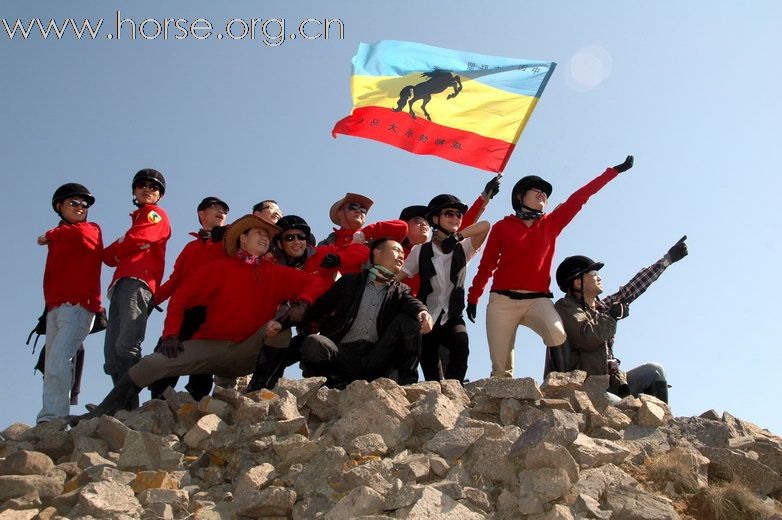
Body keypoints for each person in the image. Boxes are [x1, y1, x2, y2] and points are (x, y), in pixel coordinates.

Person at [69, 215, 327, 423]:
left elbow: (315, 282)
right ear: (241, 239)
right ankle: (103, 411)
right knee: (150, 364)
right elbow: (181, 298)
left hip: (247, 352)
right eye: (258, 232)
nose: (264, 237)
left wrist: (302, 303)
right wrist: (170, 334)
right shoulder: (217, 270)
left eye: (267, 235)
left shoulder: (276, 273)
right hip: (210, 348)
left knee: (279, 329)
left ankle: (256, 393)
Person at [466, 156, 634, 378]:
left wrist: (613, 171)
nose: (543, 195)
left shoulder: (551, 223)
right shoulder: (501, 227)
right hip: (502, 302)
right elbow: (486, 267)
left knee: (557, 334)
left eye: (545, 193)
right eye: (536, 190)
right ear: (520, 197)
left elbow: (581, 197)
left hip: (538, 300)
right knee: (501, 368)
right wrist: (473, 297)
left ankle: (563, 385)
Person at [552, 236, 688, 403]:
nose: (599, 277)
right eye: (593, 273)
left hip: (610, 383)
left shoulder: (602, 307)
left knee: (655, 371)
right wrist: (612, 316)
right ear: (578, 283)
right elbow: (587, 337)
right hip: (584, 390)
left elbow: (633, 287)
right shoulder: (564, 308)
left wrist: (667, 260)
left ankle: (664, 424)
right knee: (629, 410)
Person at [244, 215, 366, 391]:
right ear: (279, 244)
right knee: (280, 350)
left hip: (333, 325)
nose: (297, 242)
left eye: (301, 237)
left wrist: (339, 259)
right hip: (304, 325)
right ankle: (259, 390)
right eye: (289, 237)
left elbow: (362, 252)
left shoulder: (322, 252)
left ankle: (338, 386)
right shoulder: (275, 267)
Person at [299, 238, 434, 388]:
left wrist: (423, 312)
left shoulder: (400, 289)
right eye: (396, 250)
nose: (402, 256)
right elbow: (319, 308)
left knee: (410, 320)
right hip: (342, 355)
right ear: (377, 253)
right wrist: (300, 324)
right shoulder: (349, 281)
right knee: (314, 343)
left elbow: (412, 303)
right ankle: (335, 384)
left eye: (403, 253)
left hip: (376, 358)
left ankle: (408, 382)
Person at [398, 194, 490, 382]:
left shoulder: (464, 248)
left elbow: (485, 226)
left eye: (459, 215)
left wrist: (458, 236)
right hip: (426, 320)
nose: (456, 218)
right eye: (449, 213)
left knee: (461, 344)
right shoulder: (420, 250)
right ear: (435, 219)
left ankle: (455, 392)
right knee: (432, 373)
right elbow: (399, 277)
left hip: (452, 316)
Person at [147, 196, 230, 400]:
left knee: (203, 363)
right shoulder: (189, 248)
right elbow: (175, 280)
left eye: (224, 209)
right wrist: (154, 299)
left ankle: (197, 406)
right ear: (202, 214)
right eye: (215, 207)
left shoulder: (231, 243)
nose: (221, 211)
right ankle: (157, 404)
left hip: (213, 311)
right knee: (167, 354)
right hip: (184, 310)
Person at [102, 169, 171, 407]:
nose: (147, 189)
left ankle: (129, 405)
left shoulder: (156, 215)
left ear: (160, 195)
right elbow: (107, 256)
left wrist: (125, 244)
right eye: (141, 185)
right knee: (111, 356)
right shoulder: (137, 220)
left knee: (127, 345)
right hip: (120, 285)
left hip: (138, 282)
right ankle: (123, 407)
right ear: (134, 190)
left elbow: (139, 240)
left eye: (153, 187)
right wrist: (126, 244)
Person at [35, 183, 103, 423]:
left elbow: (84, 236)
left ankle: (53, 418)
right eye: (74, 203)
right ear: (59, 206)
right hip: (55, 309)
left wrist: (50, 235)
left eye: (84, 205)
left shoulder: (90, 229)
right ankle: (51, 416)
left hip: (78, 308)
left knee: (59, 359)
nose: (81, 208)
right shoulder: (59, 239)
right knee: (52, 362)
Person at [397, 174, 501, 296]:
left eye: (426, 222)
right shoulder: (390, 250)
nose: (424, 224)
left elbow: (460, 228)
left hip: (430, 310)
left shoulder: (439, 250)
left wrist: (484, 196)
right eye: (418, 220)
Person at [318, 193, 408, 274]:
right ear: (339, 214)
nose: (359, 211)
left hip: (362, 290)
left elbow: (402, 227)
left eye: (363, 210)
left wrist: (365, 233)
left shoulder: (373, 241)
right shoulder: (325, 244)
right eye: (352, 207)